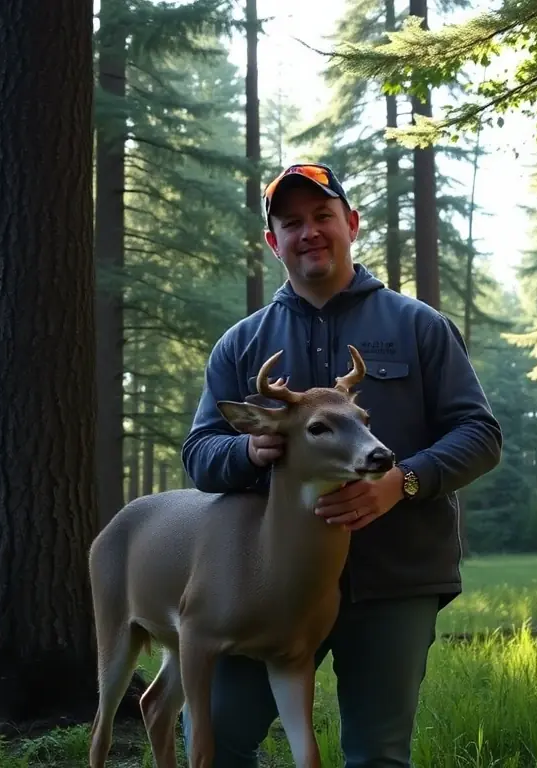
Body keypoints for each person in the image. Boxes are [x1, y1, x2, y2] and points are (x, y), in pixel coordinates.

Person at [180, 161, 503, 767]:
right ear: (273, 242)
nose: (310, 232)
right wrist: (250, 450)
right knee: (219, 739)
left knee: (377, 756)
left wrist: (400, 482)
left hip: (391, 579)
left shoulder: (419, 327)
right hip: (262, 588)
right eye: (292, 223)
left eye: (323, 216)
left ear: (350, 224)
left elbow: (479, 434)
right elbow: (200, 454)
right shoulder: (242, 344)